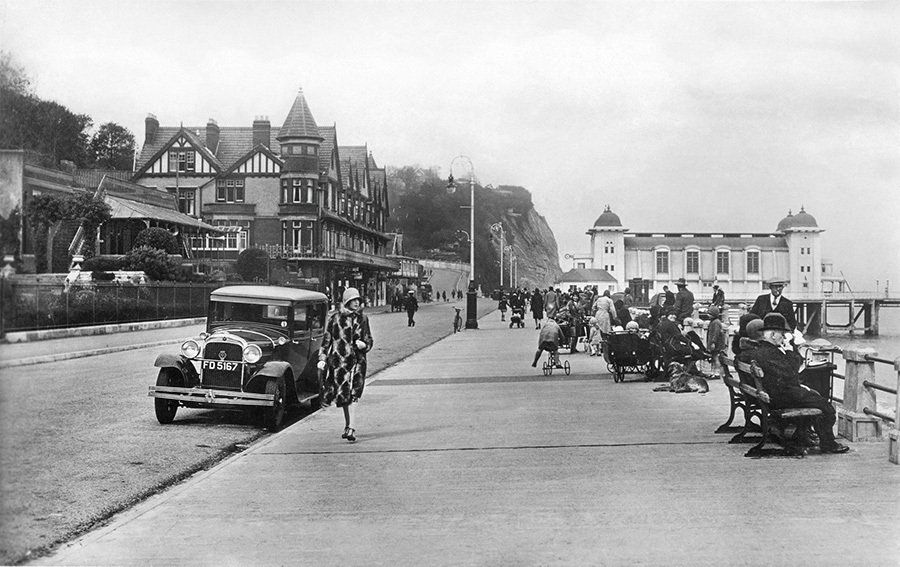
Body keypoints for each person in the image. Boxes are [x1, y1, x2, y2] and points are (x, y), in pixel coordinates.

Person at [741, 313, 849, 454]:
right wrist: (790, 351)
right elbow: (792, 373)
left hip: (772, 395)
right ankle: (828, 443)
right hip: (780, 398)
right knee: (827, 407)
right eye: (782, 334)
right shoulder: (772, 353)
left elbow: (786, 375)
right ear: (773, 335)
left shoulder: (762, 351)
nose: (784, 337)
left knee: (814, 396)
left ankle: (801, 435)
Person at [317, 287, 373, 443]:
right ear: (347, 301)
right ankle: (348, 425)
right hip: (339, 363)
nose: (356, 303)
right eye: (353, 300)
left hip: (357, 362)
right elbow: (326, 340)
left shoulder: (363, 319)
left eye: (358, 300)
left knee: (354, 394)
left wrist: (364, 345)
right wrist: (322, 357)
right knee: (344, 396)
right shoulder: (335, 319)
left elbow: (369, 340)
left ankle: (351, 428)